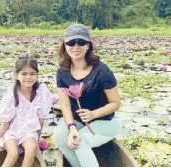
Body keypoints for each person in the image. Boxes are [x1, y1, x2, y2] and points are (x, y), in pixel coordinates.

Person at [54, 23, 122, 167]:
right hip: (77, 121)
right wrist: (72, 127)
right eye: (71, 42)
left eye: (81, 42)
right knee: (61, 136)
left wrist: (93, 114)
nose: (76, 46)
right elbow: (65, 105)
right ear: (65, 45)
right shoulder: (62, 72)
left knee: (80, 141)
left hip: (106, 121)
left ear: (88, 45)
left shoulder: (102, 71)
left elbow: (116, 103)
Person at [0, 56, 53, 166]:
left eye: (32, 74)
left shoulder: (41, 92)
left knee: (31, 148)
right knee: (13, 153)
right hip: (12, 132)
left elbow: (41, 119)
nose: (28, 77)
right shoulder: (12, 95)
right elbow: (6, 122)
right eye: (24, 74)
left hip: (29, 132)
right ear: (16, 75)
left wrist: (37, 139)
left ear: (37, 75)